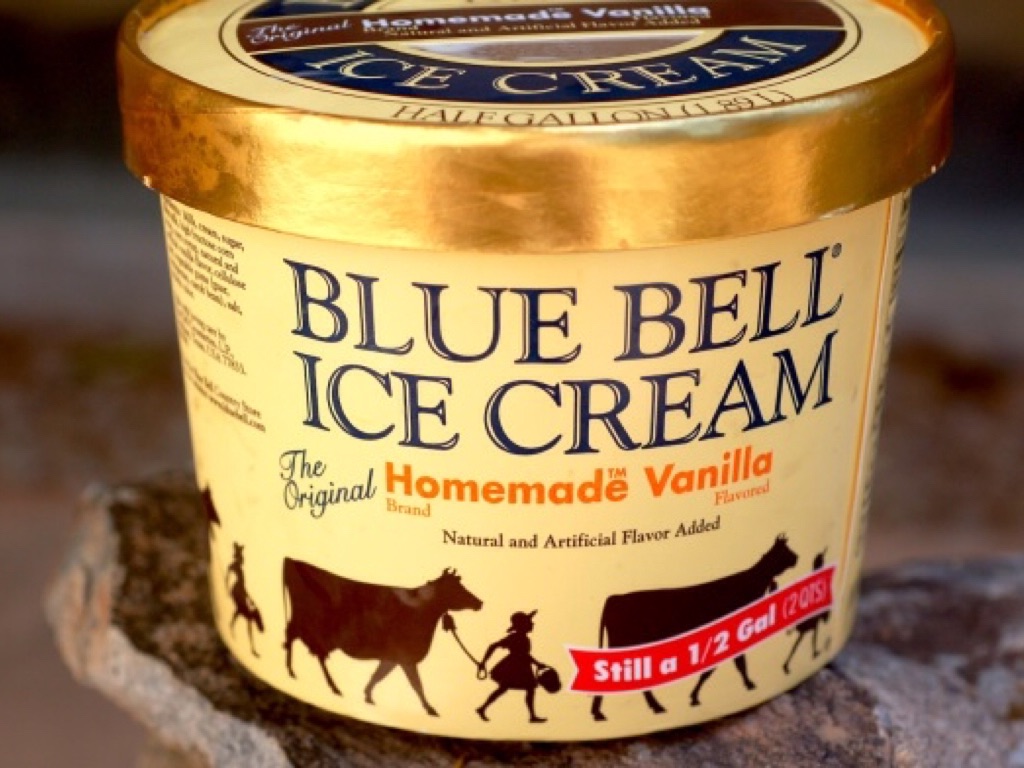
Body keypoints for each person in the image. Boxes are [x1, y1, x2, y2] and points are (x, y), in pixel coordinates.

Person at [476, 610, 549, 723]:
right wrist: (483, 662)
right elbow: (493, 646)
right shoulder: (515, 637)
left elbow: (525, 655)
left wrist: (537, 663)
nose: (532, 624)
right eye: (529, 622)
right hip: (514, 667)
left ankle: (483, 708)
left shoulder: (524, 638)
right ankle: (532, 716)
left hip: (521, 666)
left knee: (515, 689)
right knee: (519, 688)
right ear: (522, 625)